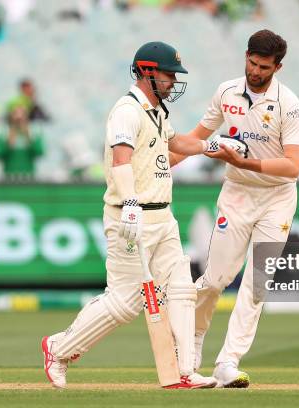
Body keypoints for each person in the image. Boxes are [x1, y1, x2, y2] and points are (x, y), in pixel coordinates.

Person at [41, 41, 222, 390]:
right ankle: (58, 349)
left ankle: (184, 371)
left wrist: (215, 147)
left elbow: (176, 144)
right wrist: (130, 205)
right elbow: (121, 160)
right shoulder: (126, 110)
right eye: (169, 74)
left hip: (163, 217)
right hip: (131, 217)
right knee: (124, 303)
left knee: (182, 289)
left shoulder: (155, 111)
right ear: (148, 72)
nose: (173, 81)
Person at [170, 29, 299, 387]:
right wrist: (159, 164)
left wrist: (246, 164)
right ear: (246, 55)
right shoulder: (227, 91)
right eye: (252, 62)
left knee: (257, 286)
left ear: (278, 66)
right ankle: (191, 350)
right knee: (214, 280)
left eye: (264, 67)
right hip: (237, 194)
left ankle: (228, 362)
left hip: (277, 198)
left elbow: (293, 166)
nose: (255, 71)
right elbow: (195, 139)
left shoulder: (288, 104)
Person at [0, 103, 44, 177]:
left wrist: (28, 137)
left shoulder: (35, 132)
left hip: (29, 176)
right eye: (15, 114)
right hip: (8, 176)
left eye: (22, 114)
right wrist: (9, 142)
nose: (19, 118)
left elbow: (39, 152)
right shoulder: (2, 132)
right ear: (10, 116)